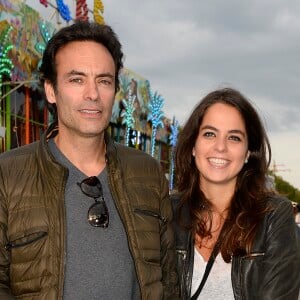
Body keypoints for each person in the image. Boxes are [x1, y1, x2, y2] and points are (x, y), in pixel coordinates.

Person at [0, 21, 178, 299]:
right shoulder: (8, 174)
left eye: (104, 81)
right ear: (50, 89)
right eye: (77, 79)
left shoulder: (147, 172)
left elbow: (169, 280)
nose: (92, 94)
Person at [171, 88, 300, 299]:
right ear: (193, 145)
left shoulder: (273, 217)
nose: (220, 147)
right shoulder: (166, 212)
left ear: (249, 152)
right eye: (210, 134)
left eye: (234, 138)